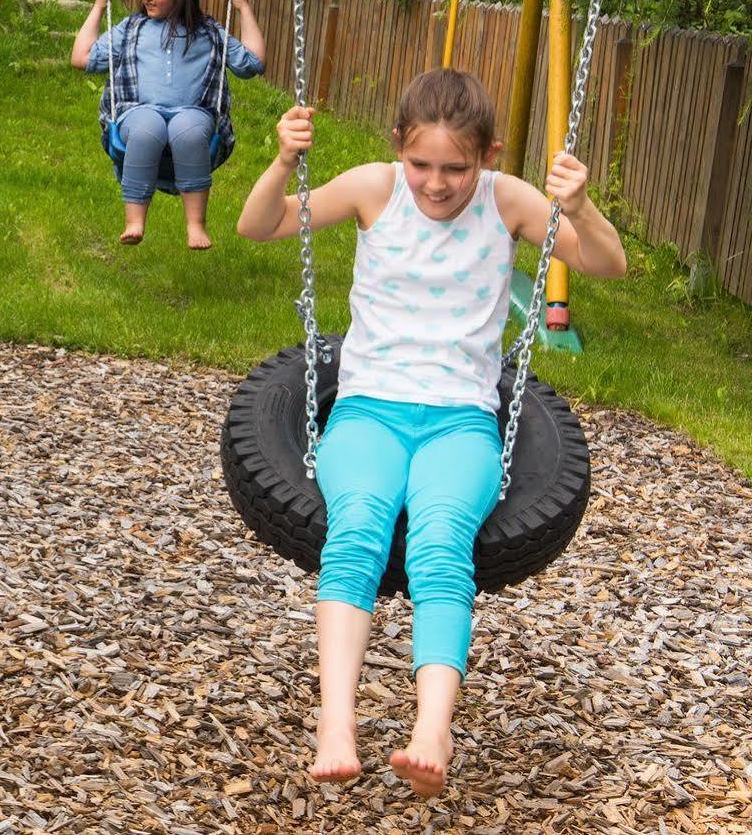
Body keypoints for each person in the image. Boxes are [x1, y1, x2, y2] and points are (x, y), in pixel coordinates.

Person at [236, 69, 627, 798]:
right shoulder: (370, 188)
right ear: (397, 149)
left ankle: (430, 730)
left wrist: (580, 207)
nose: (437, 184)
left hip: (460, 422)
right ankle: (335, 724)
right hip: (367, 412)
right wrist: (282, 161)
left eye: (456, 167)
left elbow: (606, 262)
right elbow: (259, 225)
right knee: (353, 532)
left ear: (488, 155)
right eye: (421, 164)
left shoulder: (507, 201)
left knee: (441, 546)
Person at [71, 0, 266, 247]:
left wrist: (242, 7)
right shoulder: (133, 28)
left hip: (194, 113)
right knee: (148, 126)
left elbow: (252, 64)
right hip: (136, 112)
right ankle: (135, 221)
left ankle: (196, 225)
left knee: (186, 129)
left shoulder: (209, 32)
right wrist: (99, 5)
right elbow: (81, 58)